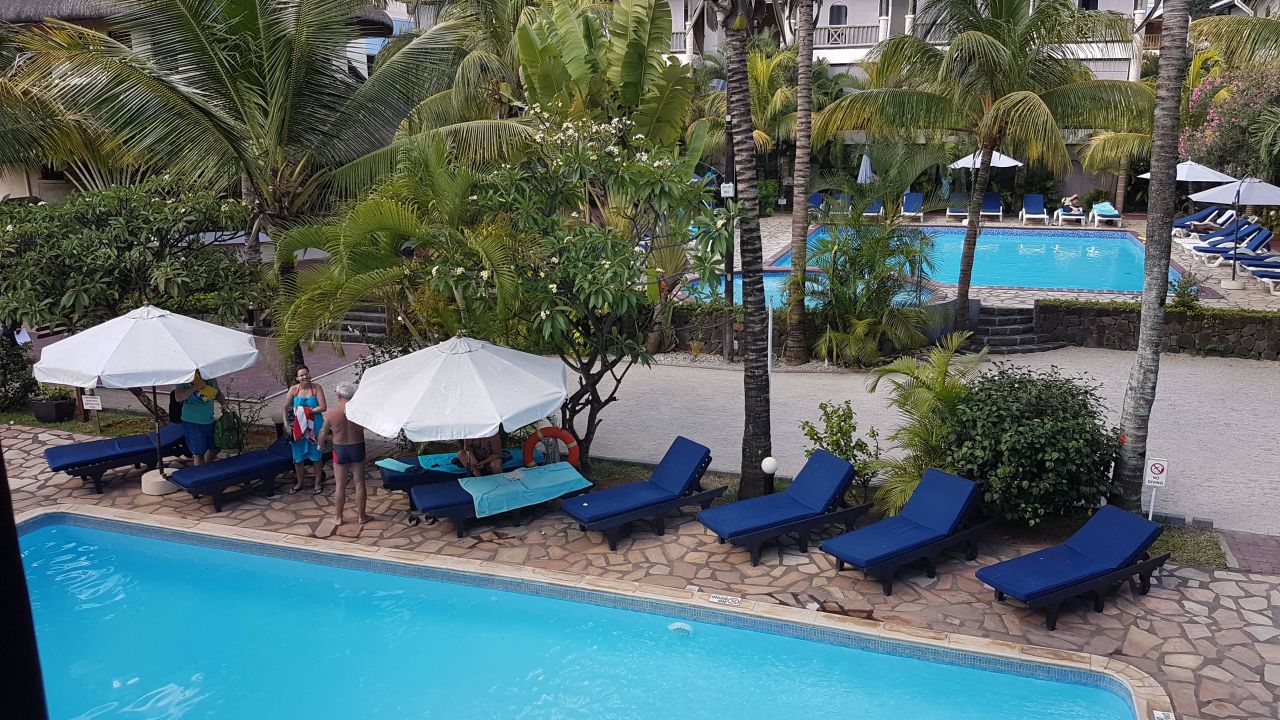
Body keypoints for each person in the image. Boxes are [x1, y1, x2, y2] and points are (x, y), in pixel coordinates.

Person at [317, 382, 368, 526]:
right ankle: (362, 516)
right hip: (357, 446)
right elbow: (364, 427)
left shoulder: (331, 412)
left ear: (338, 395)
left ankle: (338, 518)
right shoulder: (358, 410)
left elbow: (323, 432)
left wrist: (320, 445)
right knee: (359, 483)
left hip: (340, 449)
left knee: (340, 485)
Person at [283, 364, 326, 494]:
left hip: (315, 426)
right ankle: (299, 482)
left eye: (306, 374)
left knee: (316, 456)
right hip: (298, 428)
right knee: (298, 457)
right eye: (301, 375)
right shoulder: (293, 390)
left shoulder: (316, 388)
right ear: (297, 378)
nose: (304, 377)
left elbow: (323, 407)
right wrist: (286, 424)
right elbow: (285, 407)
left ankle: (317, 482)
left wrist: (306, 412)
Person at [174, 371, 224, 466]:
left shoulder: (210, 376)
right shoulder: (185, 378)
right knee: (199, 453)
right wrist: (195, 387)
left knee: (215, 447)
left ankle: (205, 468)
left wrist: (224, 404)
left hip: (209, 419)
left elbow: (217, 393)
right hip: (192, 422)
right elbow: (178, 397)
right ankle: (201, 471)